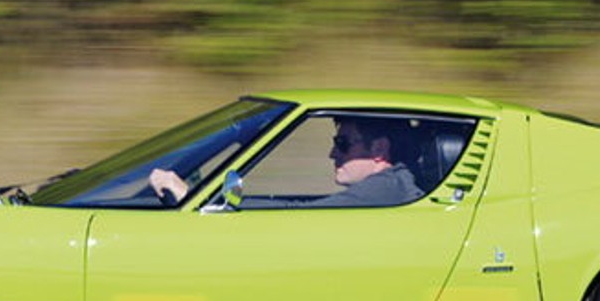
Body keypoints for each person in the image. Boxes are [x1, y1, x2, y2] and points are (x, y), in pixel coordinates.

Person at [147, 116, 422, 208]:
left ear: (379, 149)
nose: (332, 153)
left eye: (342, 143)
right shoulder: (389, 186)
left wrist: (201, 200)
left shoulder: (386, 189)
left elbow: (302, 215)